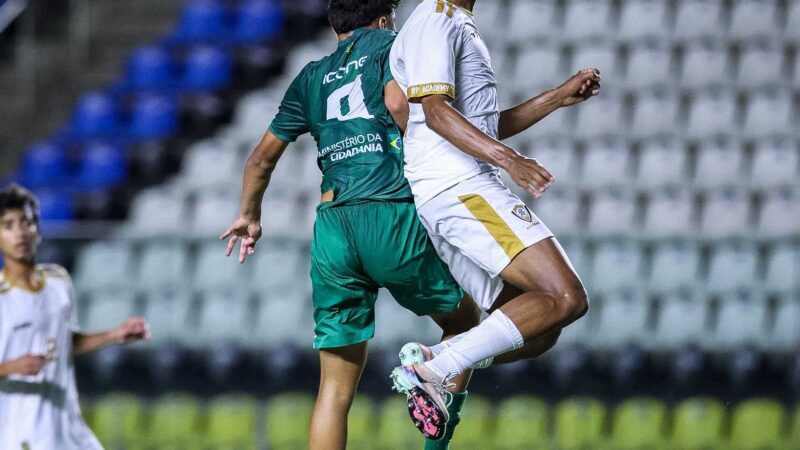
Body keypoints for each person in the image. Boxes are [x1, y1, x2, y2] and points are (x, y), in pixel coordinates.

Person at [219, 1, 486, 448]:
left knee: (334, 388)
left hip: (334, 228)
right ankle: (433, 421)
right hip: (388, 209)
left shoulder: (310, 75)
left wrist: (249, 214)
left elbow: (261, 158)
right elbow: (399, 101)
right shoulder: (393, 44)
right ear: (383, 18)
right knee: (465, 325)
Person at [387, 0, 603, 437]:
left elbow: (476, 124)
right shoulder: (435, 19)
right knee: (566, 296)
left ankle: (434, 361)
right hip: (460, 186)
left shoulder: (453, 22)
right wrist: (510, 161)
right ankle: (434, 369)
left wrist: (556, 98)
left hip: (453, 190)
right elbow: (436, 112)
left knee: (540, 330)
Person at [0, 183, 150, 450]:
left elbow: (64, 342)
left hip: (69, 427)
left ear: (38, 230)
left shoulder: (58, 280)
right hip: (21, 433)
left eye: (26, 223)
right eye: (8, 225)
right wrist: (10, 367)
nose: (19, 233)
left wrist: (114, 334)